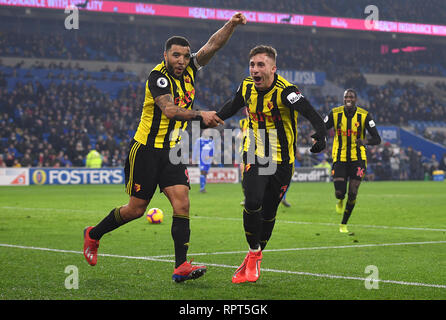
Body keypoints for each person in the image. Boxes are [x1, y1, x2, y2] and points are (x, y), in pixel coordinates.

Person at [83, 12, 247, 283]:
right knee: (136, 209)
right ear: (166, 55)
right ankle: (93, 234)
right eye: (176, 56)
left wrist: (231, 23)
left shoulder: (192, 67)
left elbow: (213, 45)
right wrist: (200, 115)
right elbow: (169, 110)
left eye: (185, 55)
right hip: (146, 150)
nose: (181, 61)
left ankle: (180, 266)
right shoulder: (158, 77)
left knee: (182, 203)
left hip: (173, 151)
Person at [212, 45, 327, 283]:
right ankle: (254, 253)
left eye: (260, 65)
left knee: (269, 212)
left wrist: (320, 134)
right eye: (252, 64)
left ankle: (254, 257)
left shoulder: (287, 92)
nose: (255, 69)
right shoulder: (246, 86)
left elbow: (311, 113)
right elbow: (230, 107)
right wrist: (205, 121)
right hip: (255, 151)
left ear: (273, 69)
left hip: (283, 161)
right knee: (253, 201)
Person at [324, 89, 381, 233]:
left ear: (356, 99)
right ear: (343, 99)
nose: (348, 98)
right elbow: (322, 127)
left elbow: (377, 139)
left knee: (353, 192)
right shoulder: (334, 113)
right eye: (346, 97)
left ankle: (343, 224)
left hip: (358, 158)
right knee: (339, 192)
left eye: (351, 97)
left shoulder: (365, 116)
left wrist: (365, 141)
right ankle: (340, 200)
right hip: (340, 157)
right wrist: (318, 137)